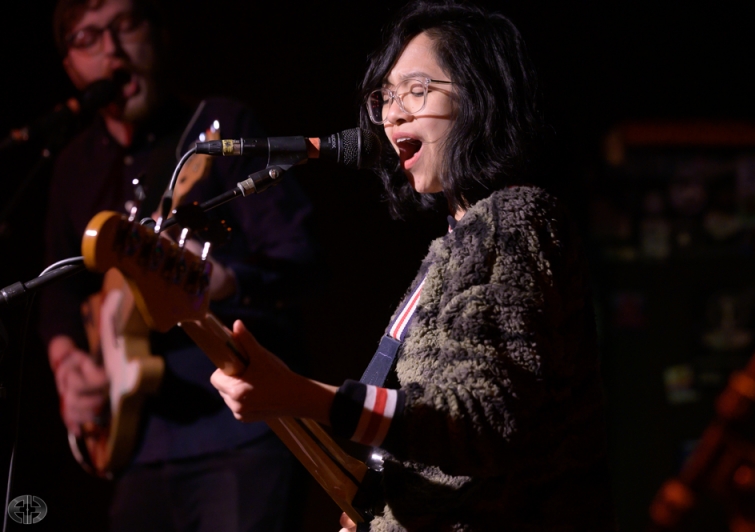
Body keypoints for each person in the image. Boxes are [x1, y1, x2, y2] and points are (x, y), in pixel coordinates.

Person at [211, 2, 616, 531]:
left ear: (480, 99)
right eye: (385, 97)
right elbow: (438, 444)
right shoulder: (451, 247)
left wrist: (300, 394)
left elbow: (481, 420)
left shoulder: (513, 220)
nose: (392, 115)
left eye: (417, 90)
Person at [40, 0, 316, 530]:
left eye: (125, 24)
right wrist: (67, 364)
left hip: (240, 434)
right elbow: (58, 289)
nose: (112, 50)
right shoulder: (73, 166)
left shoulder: (221, 129)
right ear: (70, 67)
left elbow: (301, 256)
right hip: (136, 446)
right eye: (88, 38)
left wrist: (223, 280)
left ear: (159, 33)